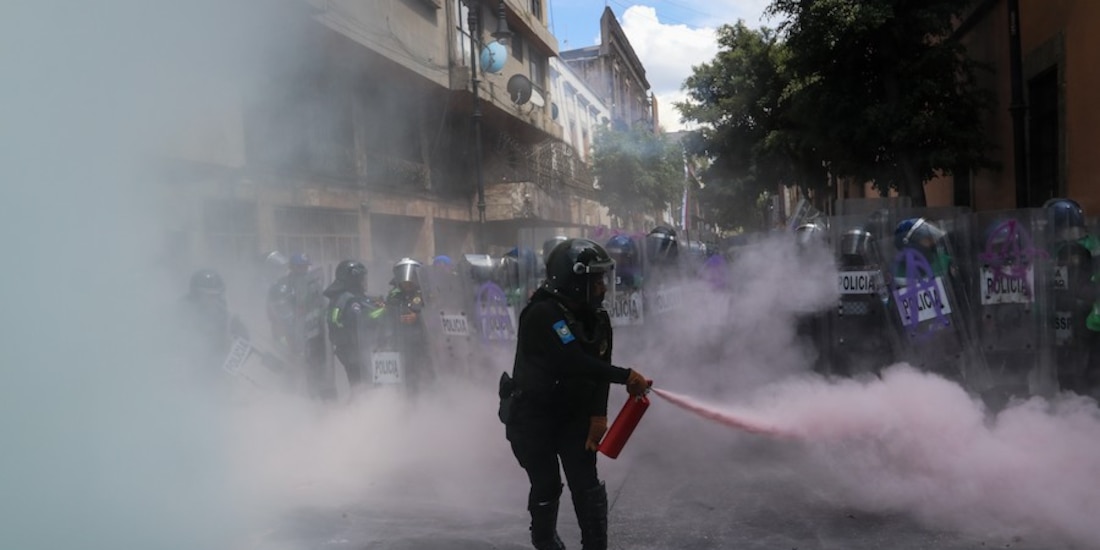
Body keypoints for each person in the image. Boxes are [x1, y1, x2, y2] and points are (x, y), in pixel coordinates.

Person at [502, 238, 650, 550]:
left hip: (573, 415)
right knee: (547, 486)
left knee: (587, 486)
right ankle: (546, 543)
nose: (602, 287)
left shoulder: (597, 318)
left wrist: (599, 414)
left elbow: (600, 364)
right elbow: (571, 360)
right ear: (573, 279)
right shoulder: (542, 313)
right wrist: (625, 377)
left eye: (602, 279)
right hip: (533, 419)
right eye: (594, 280)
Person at [267, 252, 329, 400]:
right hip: (291, 337)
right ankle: (291, 399)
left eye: (305, 267)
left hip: (314, 335)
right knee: (292, 369)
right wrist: (290, 337)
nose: (303, 270)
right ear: (292, 267)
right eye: (299, 267)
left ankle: (315, 397)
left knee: (316, 370)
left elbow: (322, 305)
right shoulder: (282, 286)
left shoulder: (315, 284)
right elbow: (278, 313)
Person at [324, 260, 380, 389]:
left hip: (349, 349)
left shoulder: (342, 297)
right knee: (362, 385)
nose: (365, 282)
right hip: (355, 350)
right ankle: (360, 407)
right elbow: (362, 319)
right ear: (353, 280)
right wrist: (382, 311)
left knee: (359, 385)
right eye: (361, 279)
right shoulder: (349, 300)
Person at [182, 268, 248, 367]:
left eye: (218, 295)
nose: (215, 301)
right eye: (210, 296)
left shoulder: (226, 317)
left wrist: (240, 335)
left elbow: (242, 351)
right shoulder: (181, 315)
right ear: (196, 295)